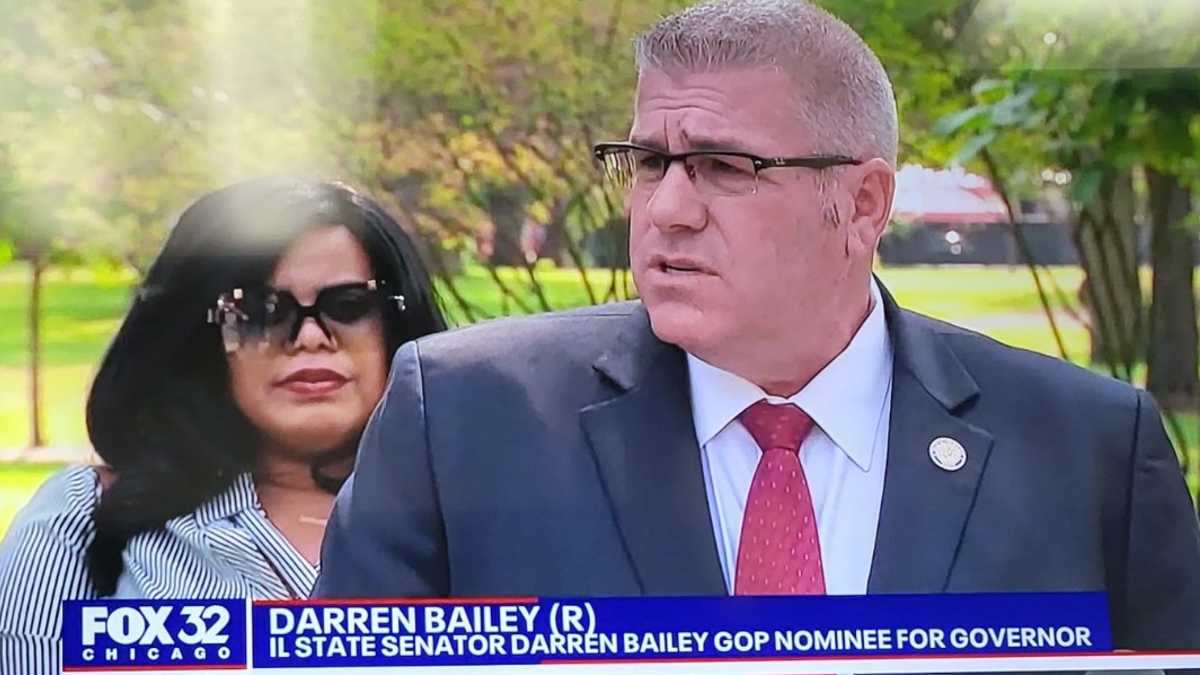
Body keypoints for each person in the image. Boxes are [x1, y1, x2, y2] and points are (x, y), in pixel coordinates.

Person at [313, 0, 1200, 652]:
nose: (668, 209)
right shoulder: (464, 422)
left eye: (723, 166)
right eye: (649, 162)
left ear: (863, 203)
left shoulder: (1088, 449)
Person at [0, 176, 447, 673]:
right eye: (259, 311)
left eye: (348, 305)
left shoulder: (479, 509)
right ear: (200, 342)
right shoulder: (85, 518)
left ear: (398, 324)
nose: (310, 338)